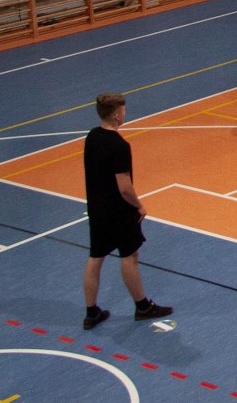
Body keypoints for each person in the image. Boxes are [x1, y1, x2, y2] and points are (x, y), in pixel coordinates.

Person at [81, 93, 172, 330]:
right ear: (116, 114)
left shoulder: (92, 137)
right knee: (129, 256)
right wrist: (139, 205)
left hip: (96, 208)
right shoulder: (119, 146)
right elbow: (124, 187)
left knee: (96, 257)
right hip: (118, 211)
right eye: (123, 110)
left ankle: (91, 312)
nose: (125, 113)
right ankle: (143, 307)